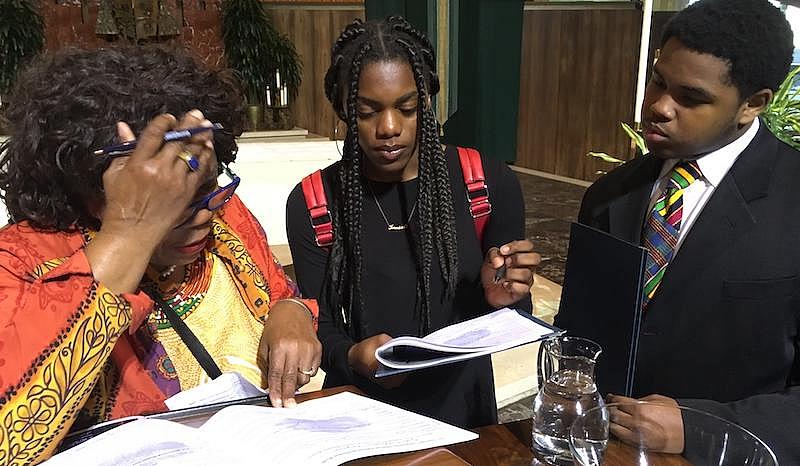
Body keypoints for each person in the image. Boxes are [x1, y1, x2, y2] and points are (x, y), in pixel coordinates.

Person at [0, 46, 321, 464]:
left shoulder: (225, 215)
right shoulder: (21, 262)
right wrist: (133, 230)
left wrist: (291, 310)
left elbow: (278, 290)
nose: (204, 212)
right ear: (87, 191)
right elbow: (12, 439)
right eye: (170, 200)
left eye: (206, 188)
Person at [558, 0, 800, 461]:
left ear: (753, 104)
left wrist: (704, 429)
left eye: (690, 97)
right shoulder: (610, 194)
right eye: (657, 81)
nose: (658, 107)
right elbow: (582, 334)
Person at [286, 16, 540, 428]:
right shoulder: (315, 202)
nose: (389, 128)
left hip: (464, 414)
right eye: (368, 112)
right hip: (359, 413)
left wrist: (502, 297)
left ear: (426, 101)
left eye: (406, 109)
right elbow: (322, 323)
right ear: (345, 109)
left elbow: (515, 314)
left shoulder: (486, 182)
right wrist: (354, 357)